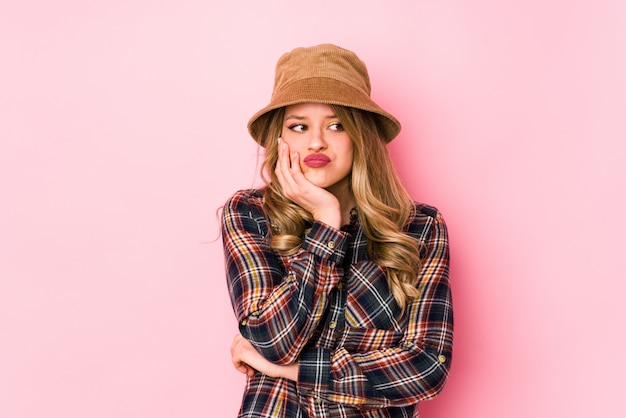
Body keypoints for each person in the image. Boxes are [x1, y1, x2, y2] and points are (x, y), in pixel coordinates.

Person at [221, 44, 453, 417]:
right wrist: (327, 222)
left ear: (360, 136)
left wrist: (292, 371)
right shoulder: (250, 214)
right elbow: (274, 340)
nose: (316, 142)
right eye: (299, 126)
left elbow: (426, 369)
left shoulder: (419, 228)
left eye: (336, 125)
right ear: (278, 138)